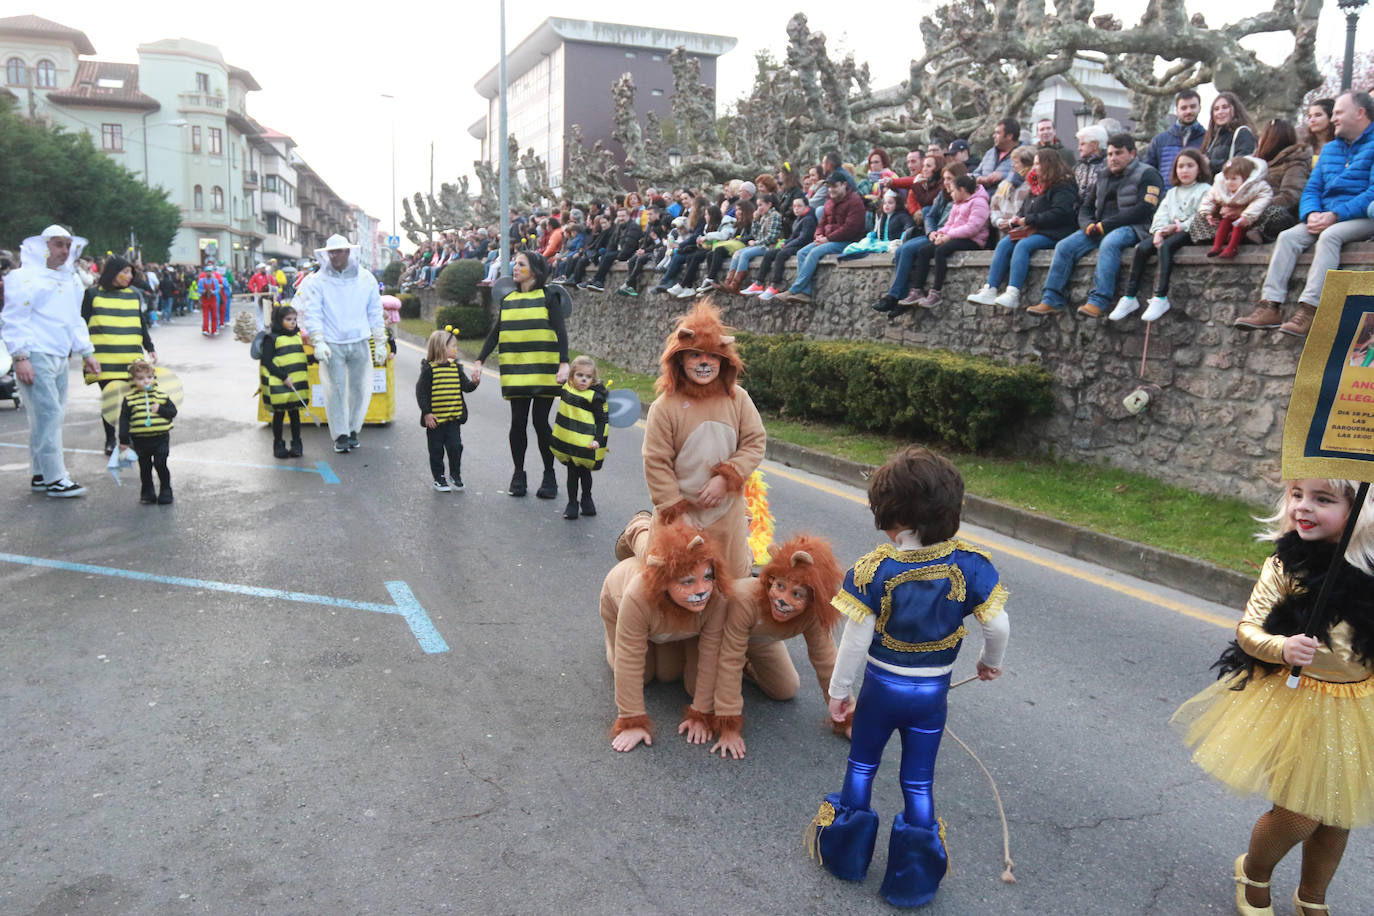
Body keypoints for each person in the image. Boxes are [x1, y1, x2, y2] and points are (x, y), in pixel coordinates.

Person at [808, 447, 1009, 908]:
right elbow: (997, 625)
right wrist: (988, 662)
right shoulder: (972, 565)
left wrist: (840, 692)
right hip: (932, 694)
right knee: (918, 781)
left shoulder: (874, 569)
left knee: (862, 766)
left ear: (888, 515)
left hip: (882, 689)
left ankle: (846, 856)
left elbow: (855, 643)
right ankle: (912, 877)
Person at [1171, 479, 1374, 916]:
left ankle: (1312, 898)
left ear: (1360, 508)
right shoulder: (1287, 564)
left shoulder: (1371, 567)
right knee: (1299, 814)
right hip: (1296, 700)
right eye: (1297, 495)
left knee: (1337, 816)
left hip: (1358, 703)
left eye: (1323, 500)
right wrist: (1281, 648)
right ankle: (1254, 873)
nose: (1303, 507)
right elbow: (1248, 631)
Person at [691, 532, 847, 759]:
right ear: (771, 579)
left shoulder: (813, 613)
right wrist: (728, 725)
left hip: (760, 640)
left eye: (797, 594)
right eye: (780, 586)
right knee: (694, 688)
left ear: (813, 598)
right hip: (721, 639)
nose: (783, 599)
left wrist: (846, 716)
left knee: (786, 690)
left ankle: (749, 667)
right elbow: (729, 658)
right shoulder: (745, 599)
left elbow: (827, 660)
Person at [1235, 91, 1374, 338]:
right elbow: (1312, 188)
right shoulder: (1331, 149)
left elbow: (1371, 193)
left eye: (1339, 113)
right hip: (1323, 214)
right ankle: (1270, 306)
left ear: (1360, 113)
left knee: (1330, 237)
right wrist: (1311, 213)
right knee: (1288, 237)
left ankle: (1309, 310)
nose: (1334, 119)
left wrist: (1335, 215)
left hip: (1360, 216)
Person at [643, 302, 766, 580]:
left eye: (712, 356)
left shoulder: (738, 399)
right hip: (680, 514)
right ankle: (637, 533)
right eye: (695, 354)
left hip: (727, 512)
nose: (704, 362)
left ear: (724, 360)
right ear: (680, 360)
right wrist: (676, 512)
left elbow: (754, 442)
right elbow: (656, 462)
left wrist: (726, 477)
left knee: (731, 582)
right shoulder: (664, 407)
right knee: (670, 582)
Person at [600, 519, 733, 754]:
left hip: (671, 624)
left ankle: (662, 640)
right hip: (623, 605)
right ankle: (640, 525)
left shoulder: (715, 597)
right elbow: (629, 659)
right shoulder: (636, 595)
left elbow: (712, 652)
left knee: (669, 674)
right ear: (665, 582)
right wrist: (632, 721)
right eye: (688, 581)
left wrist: (701, 713)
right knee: (642, 677)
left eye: (707, 577)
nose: (702, 589)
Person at [2, 225, 100, 497]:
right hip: (35, 354)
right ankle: (56, 478)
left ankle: (41, 474)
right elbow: (13, 319)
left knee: (45, 418)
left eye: (68, 245)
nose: (65, 251)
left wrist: (87, 352)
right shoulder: (23, 278)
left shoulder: (71, 279)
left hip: (59, 354)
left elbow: (74, 320)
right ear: (43, 247)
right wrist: (20, 357)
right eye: (58, 244)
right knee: (49, 416)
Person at [1027, 133, 1163, 318]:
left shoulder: (1148, 174)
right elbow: (1085, 207)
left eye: (1118, 153)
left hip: (1135, 227)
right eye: (1110, 154)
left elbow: (1144, 209)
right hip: (1098, 227)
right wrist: (1088, 225)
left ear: (1132, 153)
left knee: (1110, 243)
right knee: (1064, 246)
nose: (1112, 158)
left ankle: (1098, 301)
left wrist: (1105, 225)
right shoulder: (1103, 176)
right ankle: (1051, 299)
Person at [473, 251, 570, 498]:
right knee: (518, 423)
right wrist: (479, 360)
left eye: (521, 264)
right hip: (516, 371)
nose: (515, 268)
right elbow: (496, 333)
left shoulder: (549, 297)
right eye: (515, 263)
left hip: (544, 370)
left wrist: (564, 363)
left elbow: (560, 331)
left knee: (540, 422)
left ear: (534, 271)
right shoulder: (508, 300)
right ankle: (519, 473)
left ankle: (549, 475)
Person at [295, 234, 385, 454]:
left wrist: (381, 341)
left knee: (360, 389)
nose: (335, 255)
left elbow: (375, 311)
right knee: (335, 390)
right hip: (332, 343)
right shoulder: (318, 281)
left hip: (359, 341)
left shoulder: (366, 278)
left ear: (348, 252)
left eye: (339, 251)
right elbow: (313, 312)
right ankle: (341, 434)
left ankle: (354, 429)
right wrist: (318, 341)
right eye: (331, 252)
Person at [967, 148, 1079, 310]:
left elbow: (1061, 213)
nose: (1034, 168)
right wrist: (1015, 221)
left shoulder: (1063, 185)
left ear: (1048, 164)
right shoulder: (1037, 184)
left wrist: (1029, 219)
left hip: (1055, 231)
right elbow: (1027, 208)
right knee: (1005, 243)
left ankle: (1013, 292)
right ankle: (990, 288)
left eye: (1037, 164)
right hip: (1034, 228)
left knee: (1023, 246)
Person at [1111, 148, 1212, 322]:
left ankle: (1160, 296)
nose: (1185, 171)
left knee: (1167, 247)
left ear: (1199, 169)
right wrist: (1158, 231)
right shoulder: (1172, 192)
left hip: (1190, 231)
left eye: (1190, 166)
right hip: (1168, 230)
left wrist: (1177, 227)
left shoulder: (1205, 189)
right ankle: (1129, 296)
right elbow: (1161, 214)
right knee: (1142, 248)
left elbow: (1202, 214)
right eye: (1181, 166)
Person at [82, 255, 157, 456]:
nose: (128, 276)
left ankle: (127, 438)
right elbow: (81, 325)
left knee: (130, 401)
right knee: (110, 400)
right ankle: (109, 439)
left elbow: (140, 323)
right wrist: (84, 352)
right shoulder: (91, 294)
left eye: (130, 272)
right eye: (124, 272)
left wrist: (150, 347)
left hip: (131, 358)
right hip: (104, 358)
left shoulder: (134, 294)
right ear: (112, 272)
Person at [895, 175, 989, 313]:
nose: (950, 194)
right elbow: (949, 224)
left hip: (973, 240)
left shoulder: (979, 202)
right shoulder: (958, 203)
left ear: (962, 190)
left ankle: (936, 292)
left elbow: (972, 228)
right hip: (955, 237)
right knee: (924, 251)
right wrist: (939, 234)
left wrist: (948, 236)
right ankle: (917, 290)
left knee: (940, 251)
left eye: (952, 191)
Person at [777, 175, 867, 304]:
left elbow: (850, 228)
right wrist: (818, 235)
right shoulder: (829, 201)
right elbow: (821, 223)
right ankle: (805, 293)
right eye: (829, 187)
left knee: (814, 253)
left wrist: (828, 239)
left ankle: (794, 289)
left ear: (844, 185)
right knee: (801, 253)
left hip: (848, 241)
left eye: (835, 186)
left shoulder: (854, 201)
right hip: (828, 239)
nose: (831, 190)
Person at [416, 326, 479, 493]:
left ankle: (455, 475)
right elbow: (421, 393)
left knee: (455, 447)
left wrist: (474, 383)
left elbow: (466, 387)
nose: (456, 349)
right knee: (436, 451)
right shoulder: (429, 370)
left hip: (453, 419)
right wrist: (427, 413)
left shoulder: (456, 369)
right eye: (453, 346)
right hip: (435, 421)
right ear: (441, 348)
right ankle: (439, 478)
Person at [550, 355, 609, 520]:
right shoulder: (567, 390)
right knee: (572, 473)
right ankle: (572, 504)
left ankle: (587, 499)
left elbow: (602, 420)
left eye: (588, 377)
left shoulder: (595, 397)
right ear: (571, 376)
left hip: (586, 444)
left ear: (593, 378)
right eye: (580, 375)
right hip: (569, 443)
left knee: (584, 473)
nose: (584, 379)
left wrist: (598, 439)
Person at [118, 357, 177, 505]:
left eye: (149, 377)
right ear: (132, 380)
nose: (146, 381)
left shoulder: (161, 396)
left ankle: (165, 489)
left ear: (154, 377)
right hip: (140, 440)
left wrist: (160, 409)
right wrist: (124, 440)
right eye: (140, 378)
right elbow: (124, 420)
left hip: (160, 438)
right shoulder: (130, 399)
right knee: (145, 467)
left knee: (160, 463)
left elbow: (172, 412)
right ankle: (147, 492)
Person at [259, 305, 310, 459]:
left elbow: (296, 356)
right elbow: (267, 361)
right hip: (280, 383)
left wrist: (314, 358)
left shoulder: (297, 336)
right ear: (279, 320)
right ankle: (278, 444)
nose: (293, 322)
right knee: (279, 415)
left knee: (295, 414)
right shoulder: (272, 338)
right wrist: (283, 377)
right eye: (288, 319)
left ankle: (297, 444)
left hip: (296, 383)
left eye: (294, 319)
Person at [1199, 156, 1274, 259]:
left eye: (1234, 178)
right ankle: (1217, 247)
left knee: (1238, 225)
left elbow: (1261, 201)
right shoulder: (1221, 186)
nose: (1229, 182)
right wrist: (1207, 213)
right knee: (1224, 223)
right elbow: (1210, 197)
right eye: (1227, 178)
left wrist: (1247, 215)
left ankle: (1232, 248)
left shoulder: (1257, 187)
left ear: (1246, 178)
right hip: (1227, 215)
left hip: (1249, 217)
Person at [755, 197, 817, 302]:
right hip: (794, 244)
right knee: (770, 254)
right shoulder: (798, 219)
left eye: (799, 206)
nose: (796, 209)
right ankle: (759, 283)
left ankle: (775, 285)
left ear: (807, 206)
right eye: (794, 206)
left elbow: (804, 238)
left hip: (802, 245)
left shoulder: (808, 219)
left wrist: (788, 245)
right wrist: (786, 242)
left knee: (781, 255)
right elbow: (793, 236)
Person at [1144, 89, 1206, 191]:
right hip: (1165, 199)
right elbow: (1149, 173)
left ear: (1199, 108)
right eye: (1184, 108)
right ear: (1177, 111)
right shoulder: (1160, 141)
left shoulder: (1209, 139)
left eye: (1193, 107)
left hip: (1197, 199)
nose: (1188, 111)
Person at [1201, 91, 1258, 177]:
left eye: (1225, 107)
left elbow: (1242, 164)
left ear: (1235, 109)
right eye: (1216, 109)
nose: (1220, 112)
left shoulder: (1243, 133)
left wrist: (1210, 164)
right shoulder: (1213, 138)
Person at [971, 118, 1024, 189]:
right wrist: (979, 178)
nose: (994, 136)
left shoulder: (1024, 154)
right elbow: (975, 173)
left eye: (998, 133)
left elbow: (1025, 176)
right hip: (983, 195)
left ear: (1009, 136)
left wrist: (1002, 176)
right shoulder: (990, 153)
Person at [197, 259, 225, 336]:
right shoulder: (202, 281)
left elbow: (217, 289)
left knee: (214, 315)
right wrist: (203, 291)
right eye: (207, 272)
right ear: (205, 273)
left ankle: (214, 330)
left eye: (210, 271)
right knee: (205, 315)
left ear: (212, 272)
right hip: (205, 299)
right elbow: (199, 289)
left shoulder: (215, 280)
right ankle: (205, 329)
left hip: (213, 299)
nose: (208, 273)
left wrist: (213, 292)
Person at [1304, 98, 1335, 167]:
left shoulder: (1344, 145)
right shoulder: (1303, 148)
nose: (1312, 120)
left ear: (1331, 117)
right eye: (1310, 117)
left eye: (1318, 115)